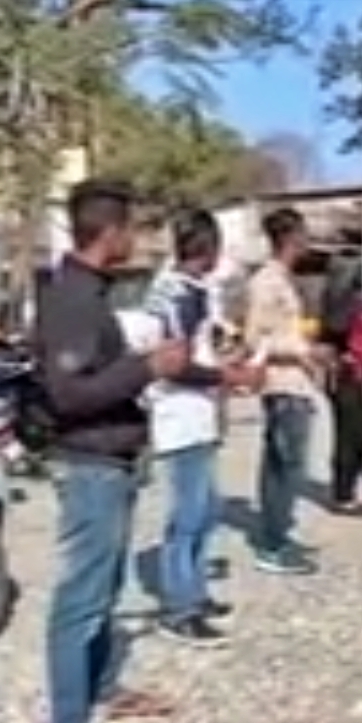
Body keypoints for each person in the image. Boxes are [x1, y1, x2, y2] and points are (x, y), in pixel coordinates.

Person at [34, 179, 188, 723]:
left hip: (114, 462)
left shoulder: (91, 294)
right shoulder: (71, 299)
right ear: (112, 232)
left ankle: (103, 688)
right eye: (133, 228)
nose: (137, 238)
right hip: (89, 465)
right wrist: (148, 367)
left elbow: (103, 377)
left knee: (106, 588)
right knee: (80, 599)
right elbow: (68, 394)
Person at [142, 208, 262, 646]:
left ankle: (195, 591)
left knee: (207, 510)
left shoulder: (197, 290)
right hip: (179, 414)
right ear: (208, 248)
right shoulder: (173, 295)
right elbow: (173, 366)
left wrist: (233, 359)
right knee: (188, 516)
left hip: (202, 410)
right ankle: (179, 608)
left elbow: (208, 345)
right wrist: (226, 377)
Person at [244, 208, 326, 574]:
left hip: (297, 383)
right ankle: (273, 544)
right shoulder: (266, 282)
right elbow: (254, 339)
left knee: (286, 464)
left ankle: (278, 534)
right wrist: (302, 351)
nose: (308, 241)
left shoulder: (285, 279)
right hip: (282, 385)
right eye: (304, 234)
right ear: (291, 237)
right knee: (285, 467)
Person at [317, 258, 362, 516]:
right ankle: (343, 495)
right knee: (350, 435)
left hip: (355, 374)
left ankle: (346, 489)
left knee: (361, 434)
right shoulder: (338, 303)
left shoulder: (350, 302)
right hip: (342, 375)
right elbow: (335, 332)